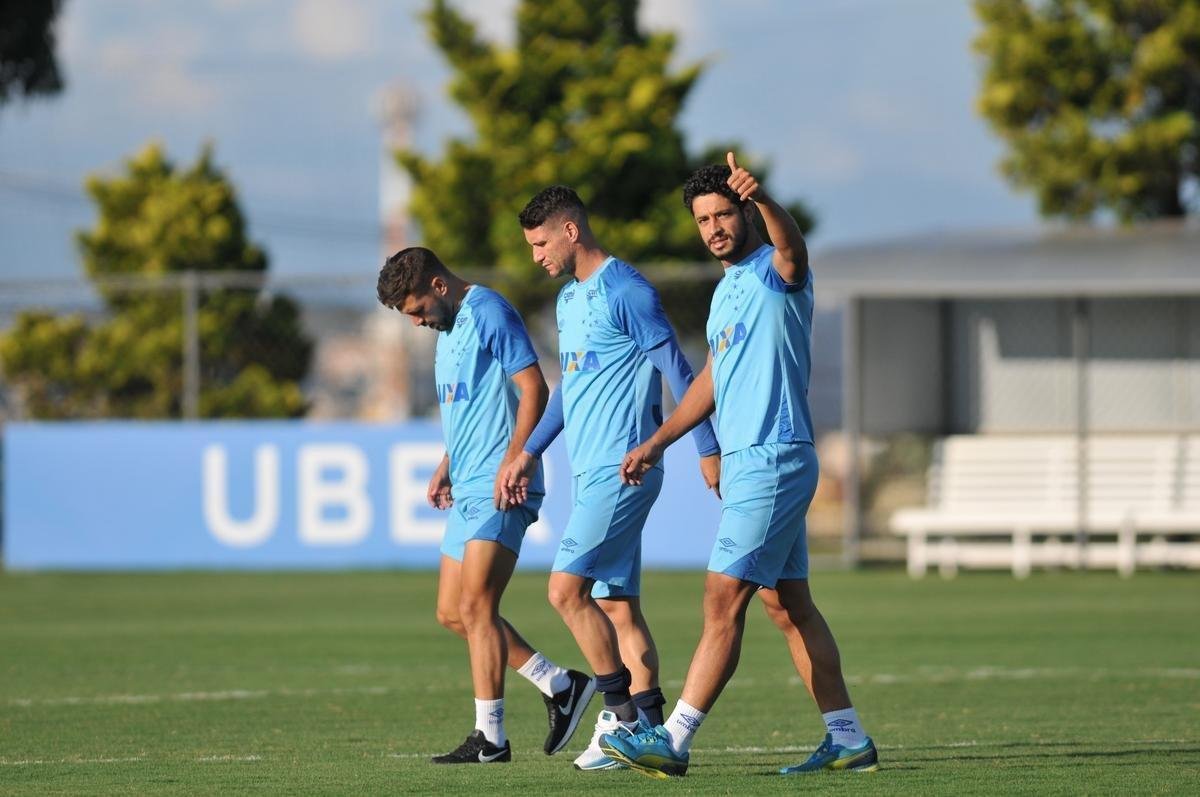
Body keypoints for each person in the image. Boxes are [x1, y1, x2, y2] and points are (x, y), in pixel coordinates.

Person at [600, 154, 878, 777]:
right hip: (754, 459)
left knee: (722, 599)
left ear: (746, 212)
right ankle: (848, 738)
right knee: (789, 607)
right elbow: (711, 383)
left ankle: (671, 740)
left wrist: (767, 201)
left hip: (774, 456)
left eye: (724, 213)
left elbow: (794, 249)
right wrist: (659, 442)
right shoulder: (726, 291)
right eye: (703, 219)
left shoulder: (777, 271)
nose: (714, 227)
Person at [499, 186, 721, 771]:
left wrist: (707, 447)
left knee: (563, 591)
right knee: (616, 604)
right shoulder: (571, 301)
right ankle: (650, 733)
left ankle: (617, 716)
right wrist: (527, 451)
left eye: (541, 242)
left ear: (571, 230)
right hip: (592, 471)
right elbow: (570, 388)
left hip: (625, 470)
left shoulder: (626, 289)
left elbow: (677, 367)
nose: (536, 256)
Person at [377, 247, 595, 765]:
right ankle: (559, 684)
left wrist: (518, 458)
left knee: (477, 606)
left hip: (502, 485)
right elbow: (472, 405)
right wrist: (445, 464)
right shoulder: (447, 330)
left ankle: (490, 738)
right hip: (469, 484)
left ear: (439, 286)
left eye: (416, 310)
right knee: (452, 612)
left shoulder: (488, 311)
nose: (416, 322)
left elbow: (531, 388)